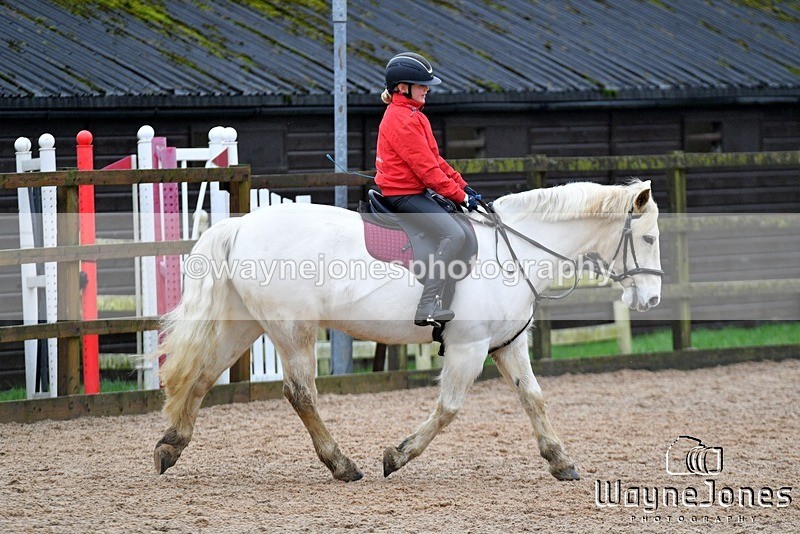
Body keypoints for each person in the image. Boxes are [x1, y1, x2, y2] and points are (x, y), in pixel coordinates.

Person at [374, 52, 481, 327]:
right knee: (454, 233)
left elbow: (437, 161)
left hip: (414, 192)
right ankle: (427, 306)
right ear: (402, 87)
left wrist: (465, 187)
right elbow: (428, 172)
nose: (427, 89)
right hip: (403, 196)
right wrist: (461, 197)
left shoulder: (415, 116)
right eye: (421, 84)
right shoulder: (402, 119)